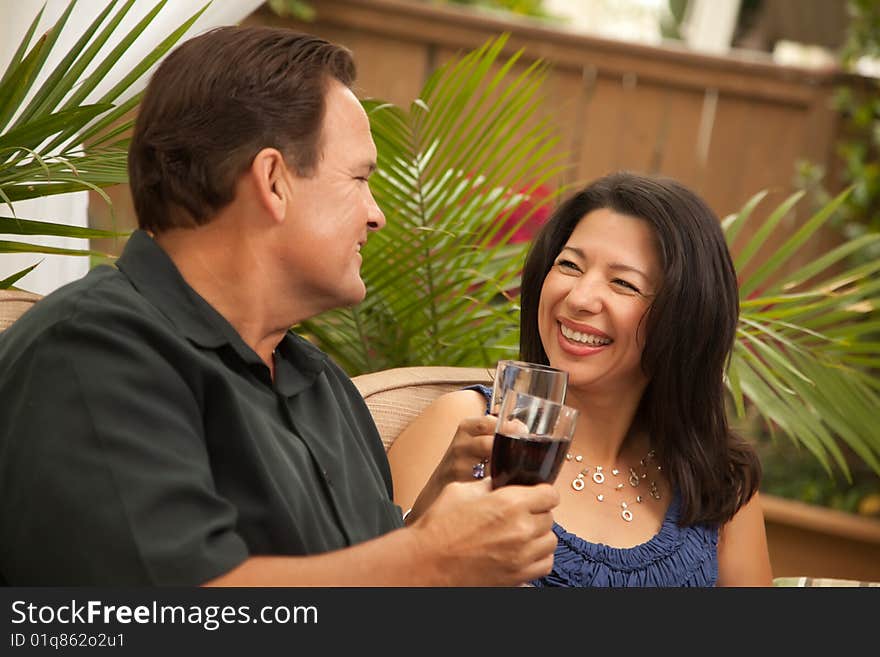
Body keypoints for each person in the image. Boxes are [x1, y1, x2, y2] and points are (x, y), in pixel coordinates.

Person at [0, 25, 560, 586]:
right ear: (273, 181)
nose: (376, 213)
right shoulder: (93, 353)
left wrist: (426, 528)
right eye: (361, 178)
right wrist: (427, 560)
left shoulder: (320, 384)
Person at [388, 172, 774, 586]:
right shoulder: (468, 431)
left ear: (684, 318)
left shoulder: (720, 483)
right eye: (569, 265)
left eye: (623, 283)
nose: (579, 298)